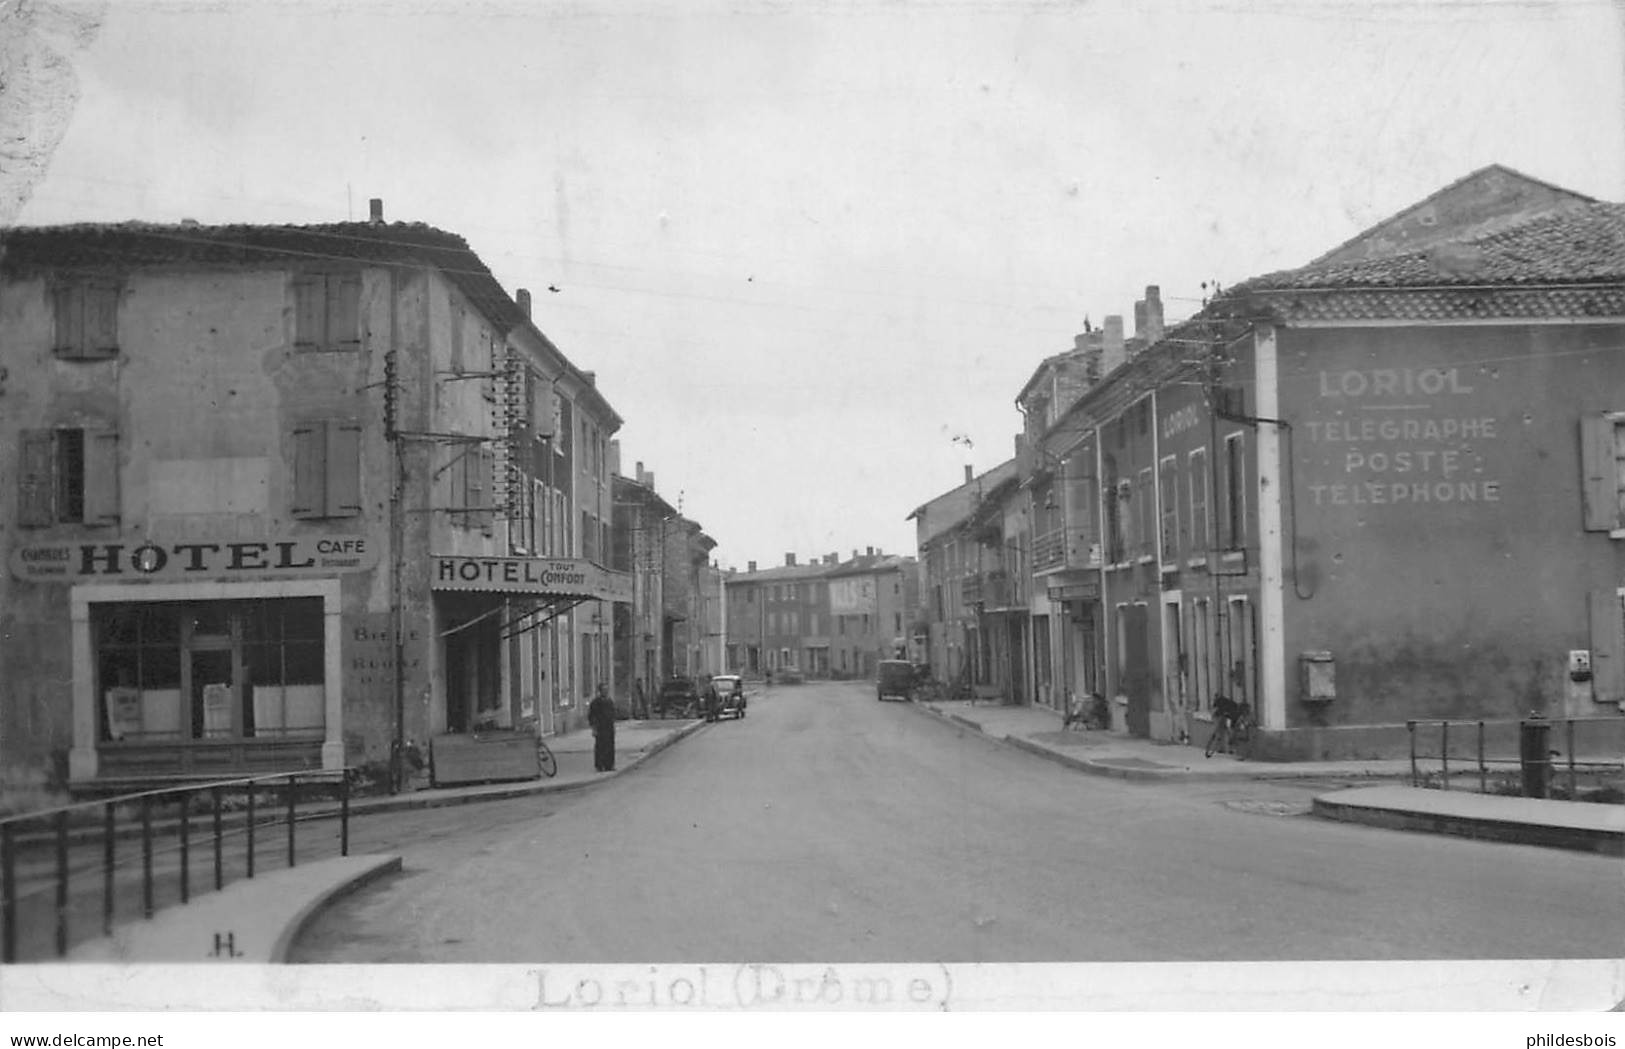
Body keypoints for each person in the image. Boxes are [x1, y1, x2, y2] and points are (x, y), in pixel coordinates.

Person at [588, 684, 616, 772]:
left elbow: (612, 714)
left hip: (609, 727)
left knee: (610, 746)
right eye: (604, 690)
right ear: (600, 691)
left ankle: (609, 765)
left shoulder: (609, 701)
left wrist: (613, 726)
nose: (606, 691)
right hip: (600, 727)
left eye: (607, 690)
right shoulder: (596, 702)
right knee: (600, 747)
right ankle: (600, 765)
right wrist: (594, 728)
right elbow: (592, 716)